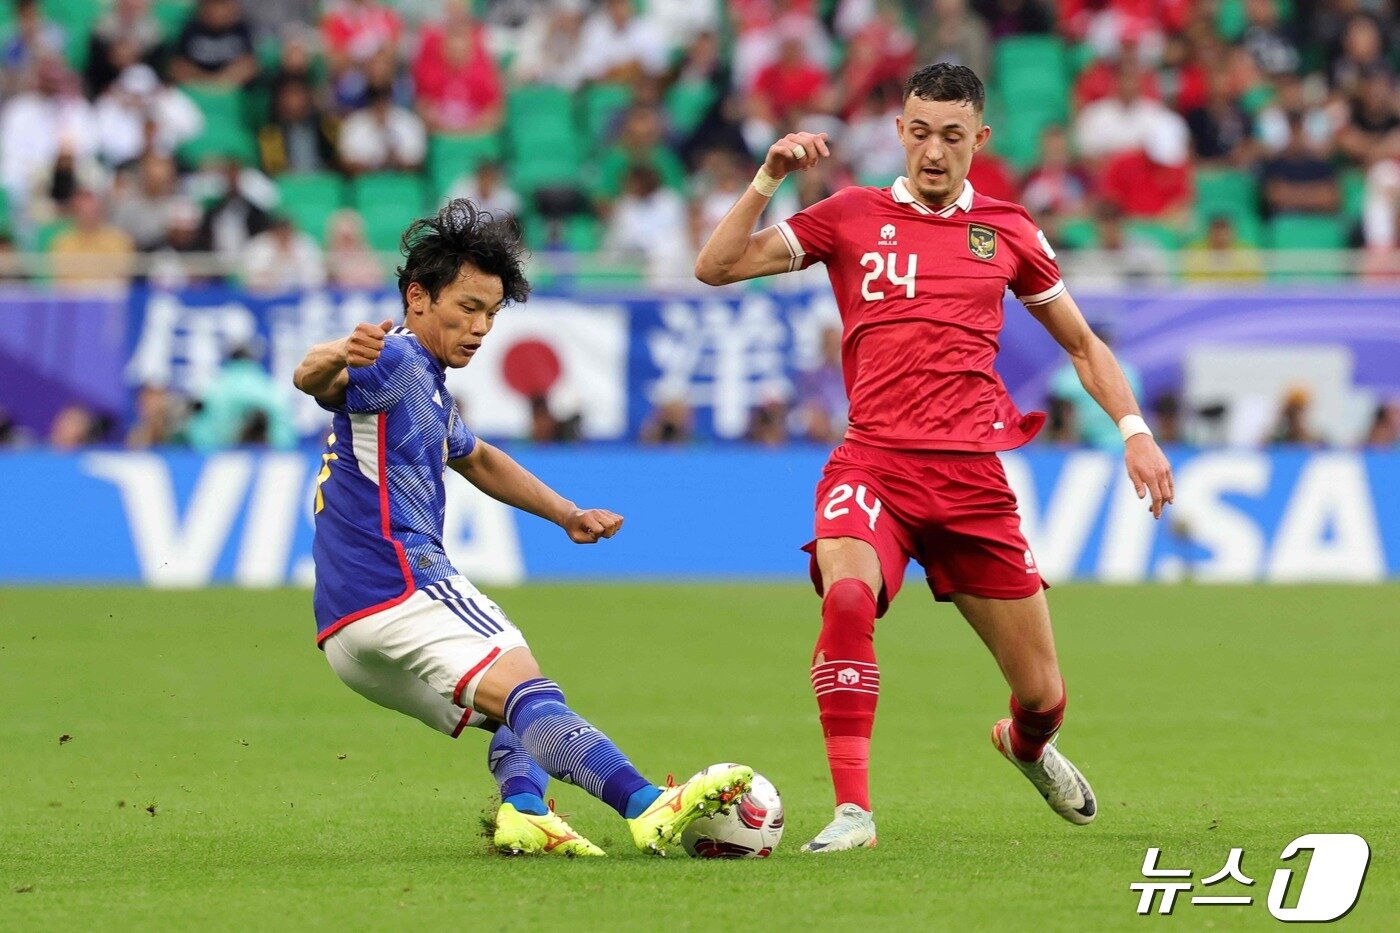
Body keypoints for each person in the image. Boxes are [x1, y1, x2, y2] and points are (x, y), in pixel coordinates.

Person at [694, 63, 1174, 853]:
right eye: (919, 133)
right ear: (900, 134)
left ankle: (1025, 745)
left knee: (1043, 694)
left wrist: (1134, 429)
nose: (934, 151)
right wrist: (768, 177)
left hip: (972, 482)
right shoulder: (848, 216)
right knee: (847, 598)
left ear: (978, 140)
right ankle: (853, 811)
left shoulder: (1010, 231)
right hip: (873, 464)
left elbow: (1084, 345)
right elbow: (716, 267)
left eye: (952, 136)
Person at [291, 199, 751, 857]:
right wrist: (340, 349)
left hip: (344, 630)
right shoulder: (390, 361)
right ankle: (649, 804)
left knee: (520, 706)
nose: (480, 327)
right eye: (467, 307)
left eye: (492, 313)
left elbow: (475, 455)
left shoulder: (427, 381)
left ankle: (525, 811)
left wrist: (566, 513)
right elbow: (312, 377)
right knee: (532, 688)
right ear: (416, 297)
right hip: (400, 584)